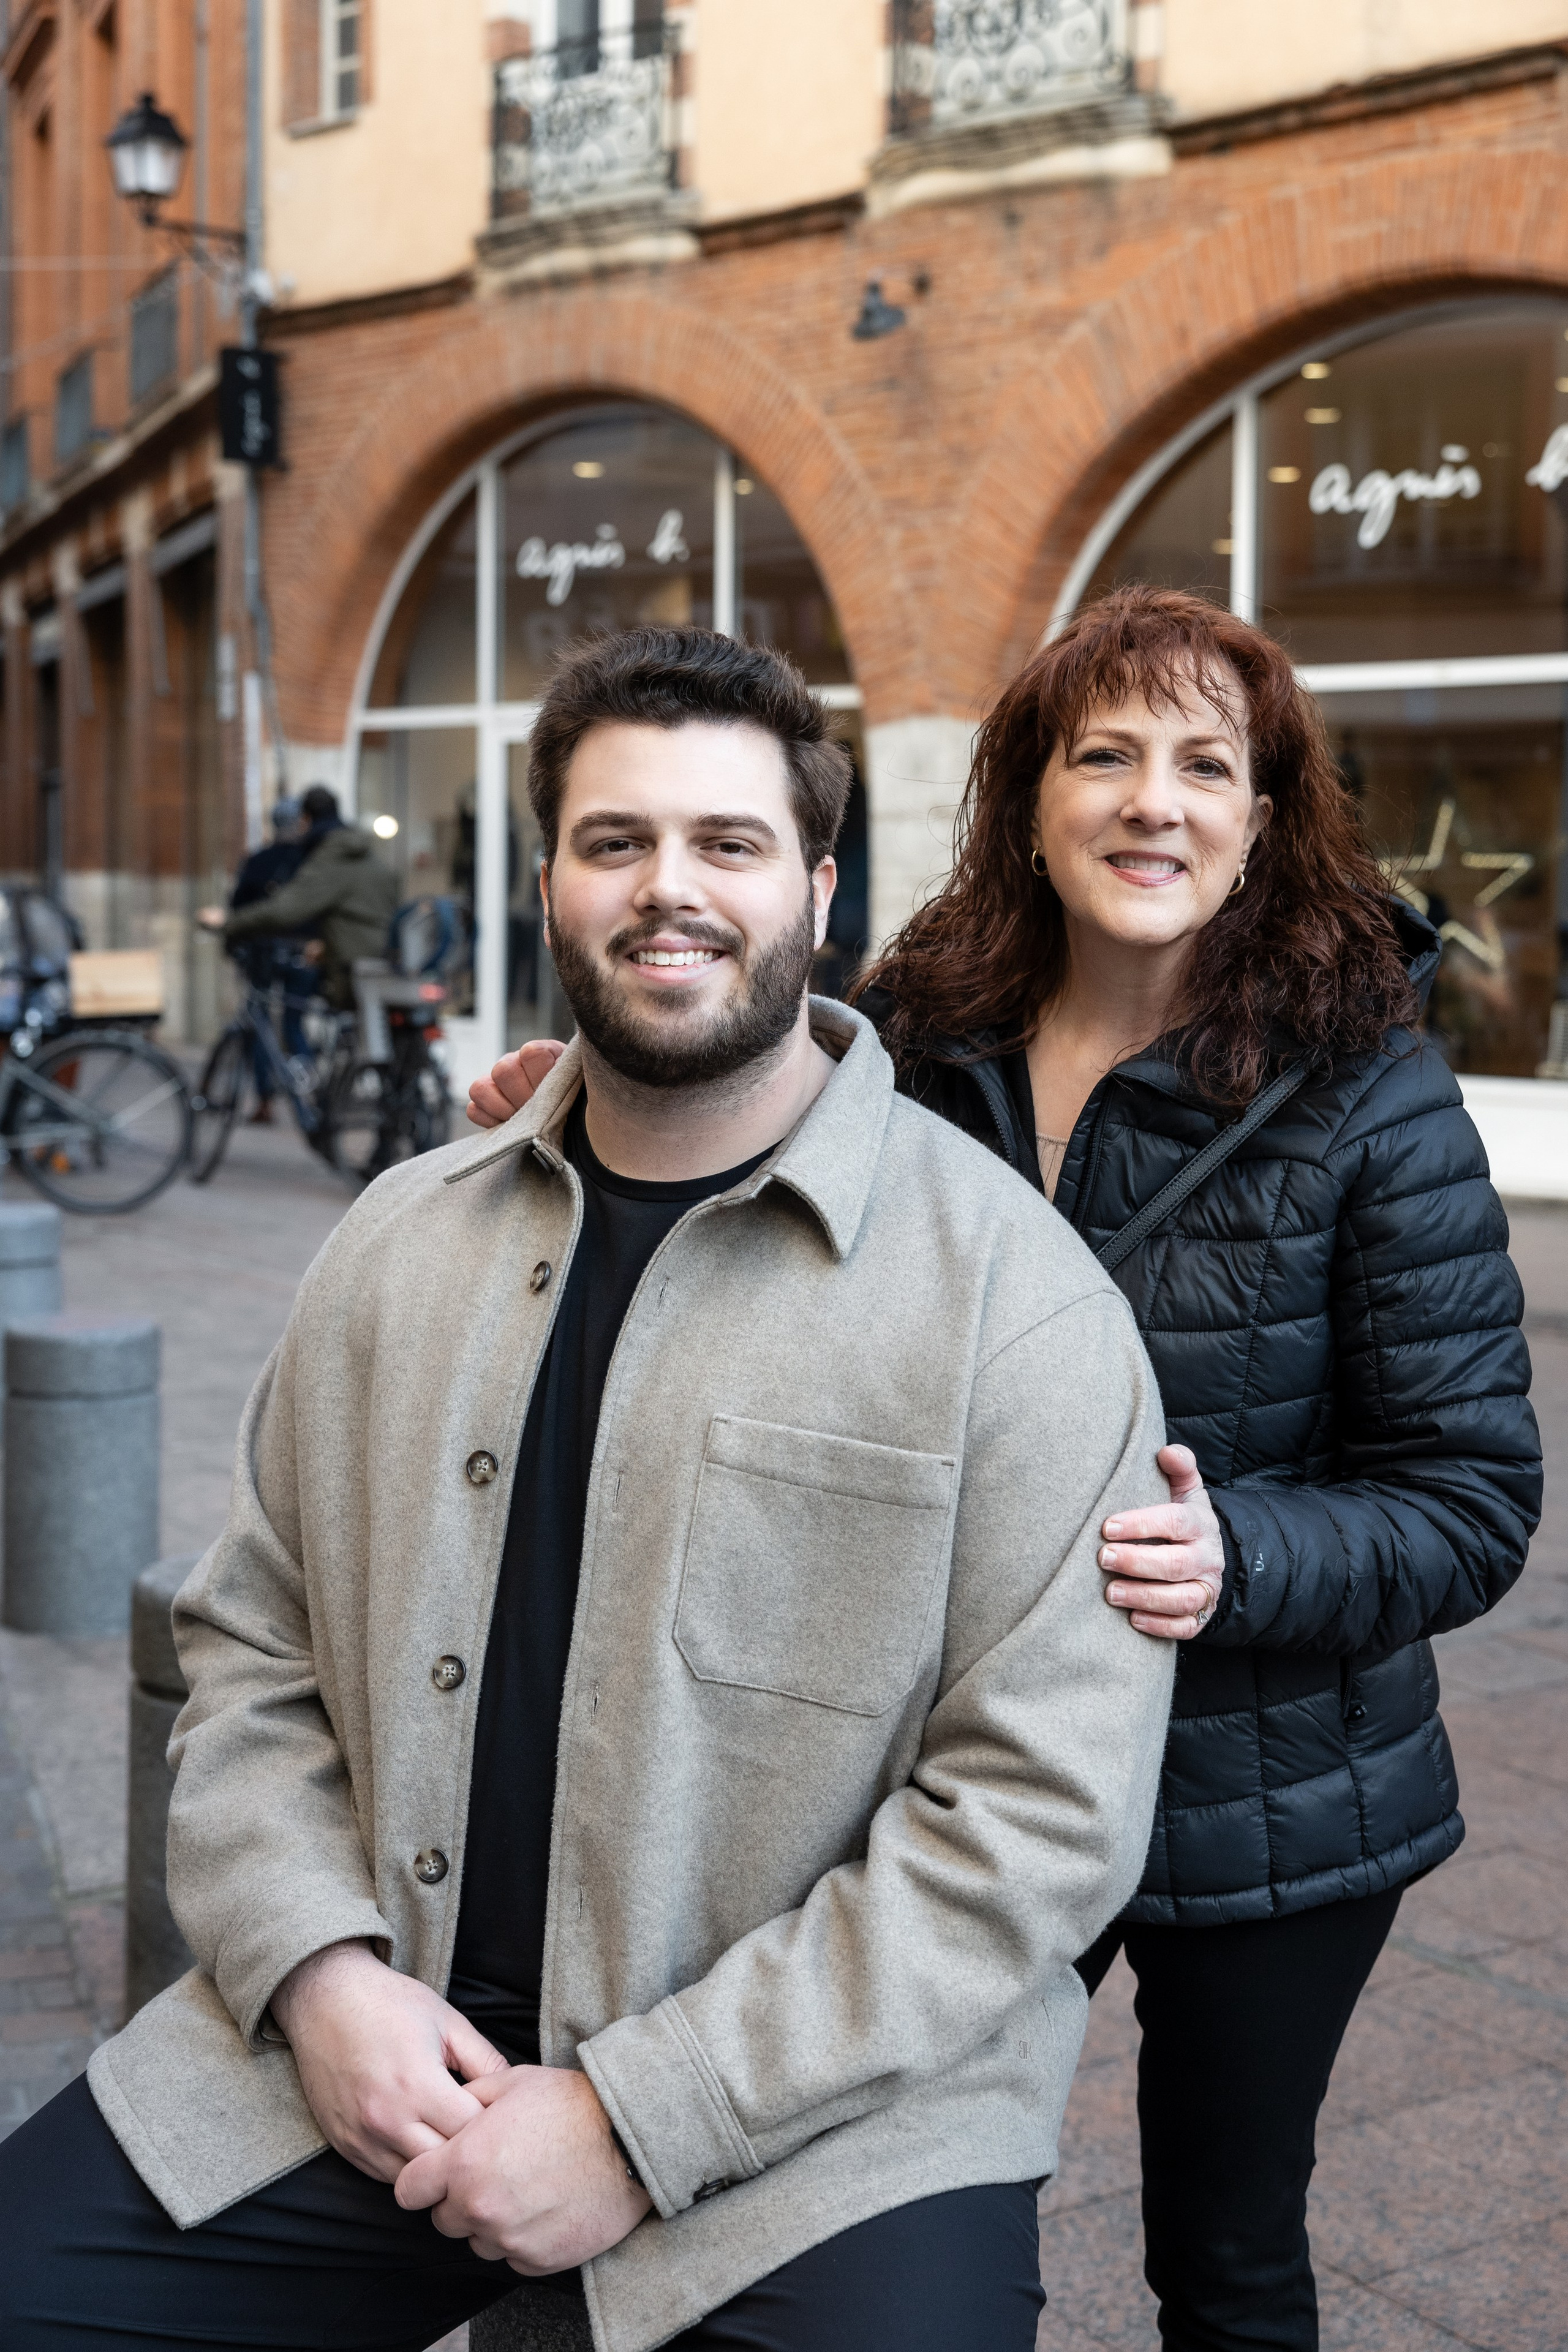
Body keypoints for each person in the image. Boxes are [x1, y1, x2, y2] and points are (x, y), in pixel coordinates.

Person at [1, 627, 1178, 2352]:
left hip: (814, 2121)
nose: (667, 891)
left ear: (818, 892)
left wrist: (643, 2115)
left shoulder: (1019, 1299)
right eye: (615, 842)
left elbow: (1037, 1824)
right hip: (376, 2040)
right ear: (546, 878)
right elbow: (250, 1646)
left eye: (728, 844)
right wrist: (318, 1972)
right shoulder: (399, 1241)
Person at [469, 587, 1544, 2352]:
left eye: (1207, 764)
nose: (1153, 800)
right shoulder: (904, 1039)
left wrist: (1243, 1560)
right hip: (945, 1776)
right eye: (1104, 754)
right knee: (888, 2214)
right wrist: (578, 1104)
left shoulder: (1374, 1095)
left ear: (1262, 820)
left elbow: (1470, 1494)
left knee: (1230, 2255)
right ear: (1027, 797)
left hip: (1259, 1795)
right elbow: (719, 1180)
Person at [204, 783, 399, 1011]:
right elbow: (362, 914)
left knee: (273, 1015)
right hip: (379, 961)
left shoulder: (332, 857)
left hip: (351, 968)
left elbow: (284, 911)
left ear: (305, 820)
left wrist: (228, 922)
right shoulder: (366, 856)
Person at [224, 796, 308, 1123]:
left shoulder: (260, 861)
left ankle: (265, 1099)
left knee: (261, 1023)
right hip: (302, 953)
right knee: (293, 1021)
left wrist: (233, 940)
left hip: (263, 953)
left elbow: (238, 908)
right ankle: (307, 1086)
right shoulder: (309, 862)